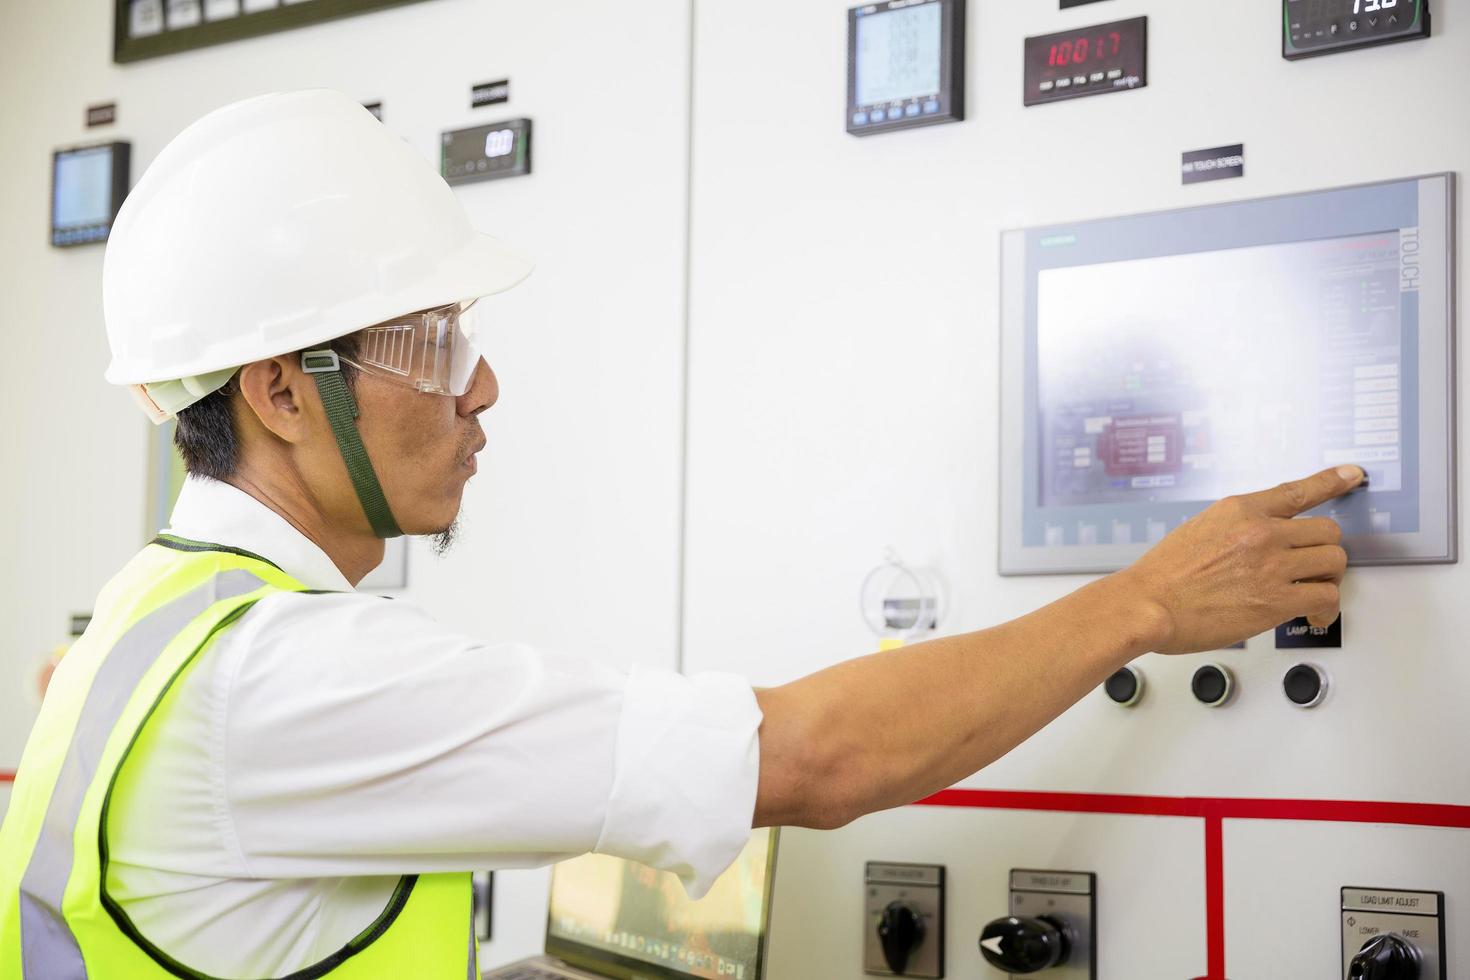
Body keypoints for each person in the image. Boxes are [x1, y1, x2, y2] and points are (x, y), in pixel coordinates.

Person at [0, 90, 1359, 979]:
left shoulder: (152, 620)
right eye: (428, 343)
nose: (478, 386)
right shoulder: (281, 679)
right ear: (282, 393)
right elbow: (819, 759)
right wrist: (1148, 603)